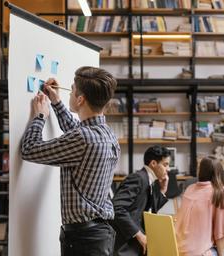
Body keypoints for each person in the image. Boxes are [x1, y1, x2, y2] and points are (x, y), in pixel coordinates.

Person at [21, 66, 120, 256]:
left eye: (72, 89)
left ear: (80, 99)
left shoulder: (83, 138)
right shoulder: (106, 134)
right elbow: (75, 131)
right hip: (97, 235)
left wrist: (40, 116)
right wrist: (56, 102)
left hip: (84, 240)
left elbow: (29, 149)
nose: (70, 92)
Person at [111, 145, 170, 256]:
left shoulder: (148, 180)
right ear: (153, 163)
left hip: (136, 245)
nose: (168, 169)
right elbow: (117, 208)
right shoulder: (138, 178)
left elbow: (150, 210)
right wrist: (139, 234)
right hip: (126, 247)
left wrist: (162, 190)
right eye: (165, 164)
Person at [175, 156, 224, 256]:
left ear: (200, 171)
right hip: (199, 253)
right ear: (219, 173)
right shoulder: (220, 192)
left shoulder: (189, 188)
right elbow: (220, 232)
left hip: (178, 250)